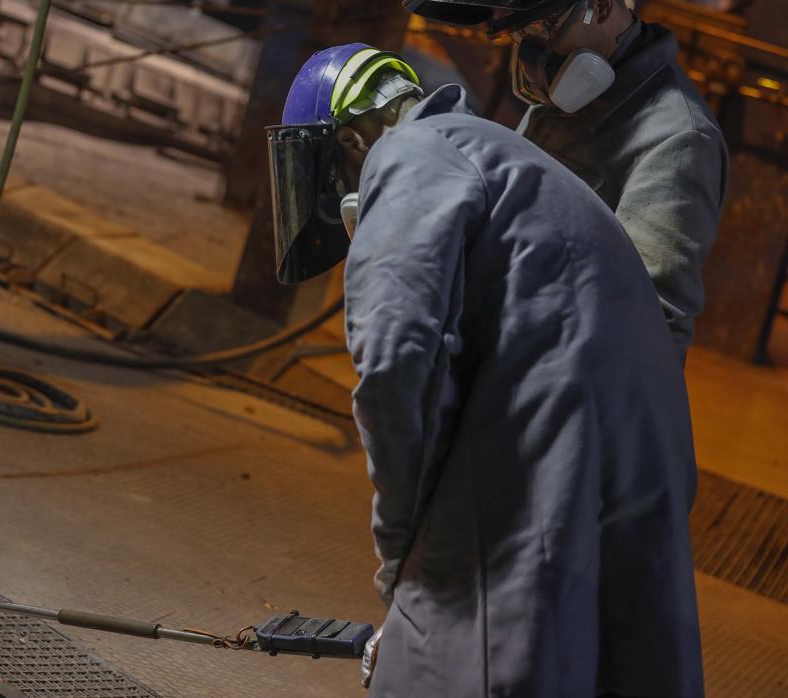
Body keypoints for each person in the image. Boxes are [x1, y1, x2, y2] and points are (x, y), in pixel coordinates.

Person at [267, 44, 702, 696]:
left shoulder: (409, 155)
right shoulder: (502, 155)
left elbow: (395, 363)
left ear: (353, 141)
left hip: (551, 447)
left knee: (455, 659)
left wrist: (401, 554)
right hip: (646, 460)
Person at [401, 0, 728, 363]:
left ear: (601, 7)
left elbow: (648, 331)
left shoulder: (679, 140)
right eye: (516, 33)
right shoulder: (569, 97)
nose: (530, 52)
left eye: (541, 28)